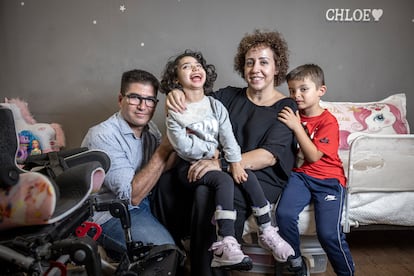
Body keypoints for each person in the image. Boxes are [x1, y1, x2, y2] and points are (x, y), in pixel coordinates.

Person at [152, 29, 298, 276]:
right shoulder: (228, 96)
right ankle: (172, 251)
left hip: (260, 176)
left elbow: (268, 155)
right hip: (220, 167)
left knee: (207, 192)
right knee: (172, 181)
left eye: (264, 62)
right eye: (249, 62)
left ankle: (211, 267)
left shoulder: (285, 106)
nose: (255, 69)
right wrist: (175, 94)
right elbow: (195, 102)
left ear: (277, 67)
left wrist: (221, 165)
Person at [81, 69, 176, 260]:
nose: (142, 106)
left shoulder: (151, 130)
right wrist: (165, 148)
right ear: (120, 99)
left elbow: (161, 167)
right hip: (110, 213)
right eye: (135, 98)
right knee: (165, 254)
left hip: (146, 201)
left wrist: (180, 144)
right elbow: (131, 197)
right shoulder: (102, 136)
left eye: (150, 100)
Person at [276, 64, 355, 276]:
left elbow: (312, 156)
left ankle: (346, 273)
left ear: (321, 91)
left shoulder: (328, 121)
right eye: (292, 90)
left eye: (303, 89)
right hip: (300, 177)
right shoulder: (292, 115)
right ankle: (296, 265)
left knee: (328, 234)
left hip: (328, 179)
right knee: (283, 215)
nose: (296, 95)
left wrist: (296, 126)